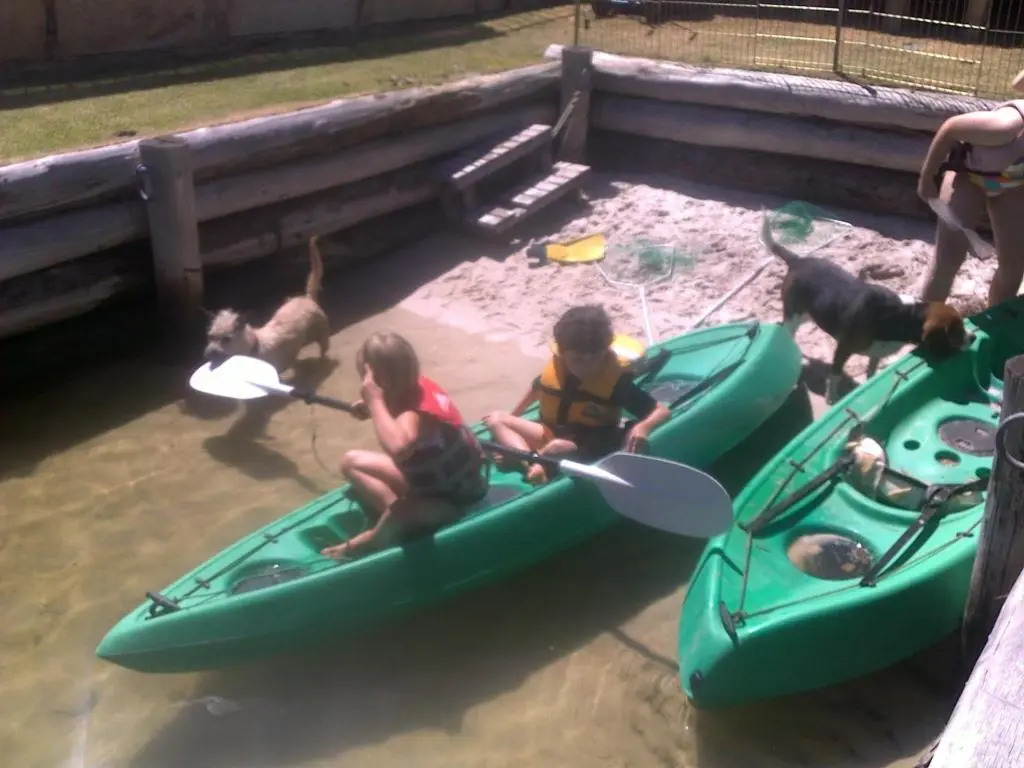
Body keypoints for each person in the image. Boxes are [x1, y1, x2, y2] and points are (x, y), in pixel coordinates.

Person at [321, 332, 488, 559]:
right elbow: (398, 412)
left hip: (456, 501)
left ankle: (371, 542)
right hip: (430, 487)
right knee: (351, 462)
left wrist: (375, 402)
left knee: (400, 512)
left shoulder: (414, 415)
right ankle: (402, 520)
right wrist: (373, 407)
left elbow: (399, 448)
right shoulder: (415, 386)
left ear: (379, 382)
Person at [484, 304, 671, 485]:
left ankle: (533, 465)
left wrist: (643, 427)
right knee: (495, 420)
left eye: (595, 358)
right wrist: (509, 422)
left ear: (605, 352)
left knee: (557, 447)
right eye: (578, 359)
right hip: (550, 431)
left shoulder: (616, 384)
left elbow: (661, 411)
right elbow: (535, 390)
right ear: (562, 352)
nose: (587, 366)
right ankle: (532, 463)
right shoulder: (558, 369)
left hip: (588, 444)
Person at [917, 90, 1024, 308]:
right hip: (967, 178)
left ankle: (995, 321)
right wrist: (927, 179)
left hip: (1011, 184)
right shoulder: (1006, 126)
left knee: (1013, 267)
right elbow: (951, 128)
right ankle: (923, 323)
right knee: (948, 258)